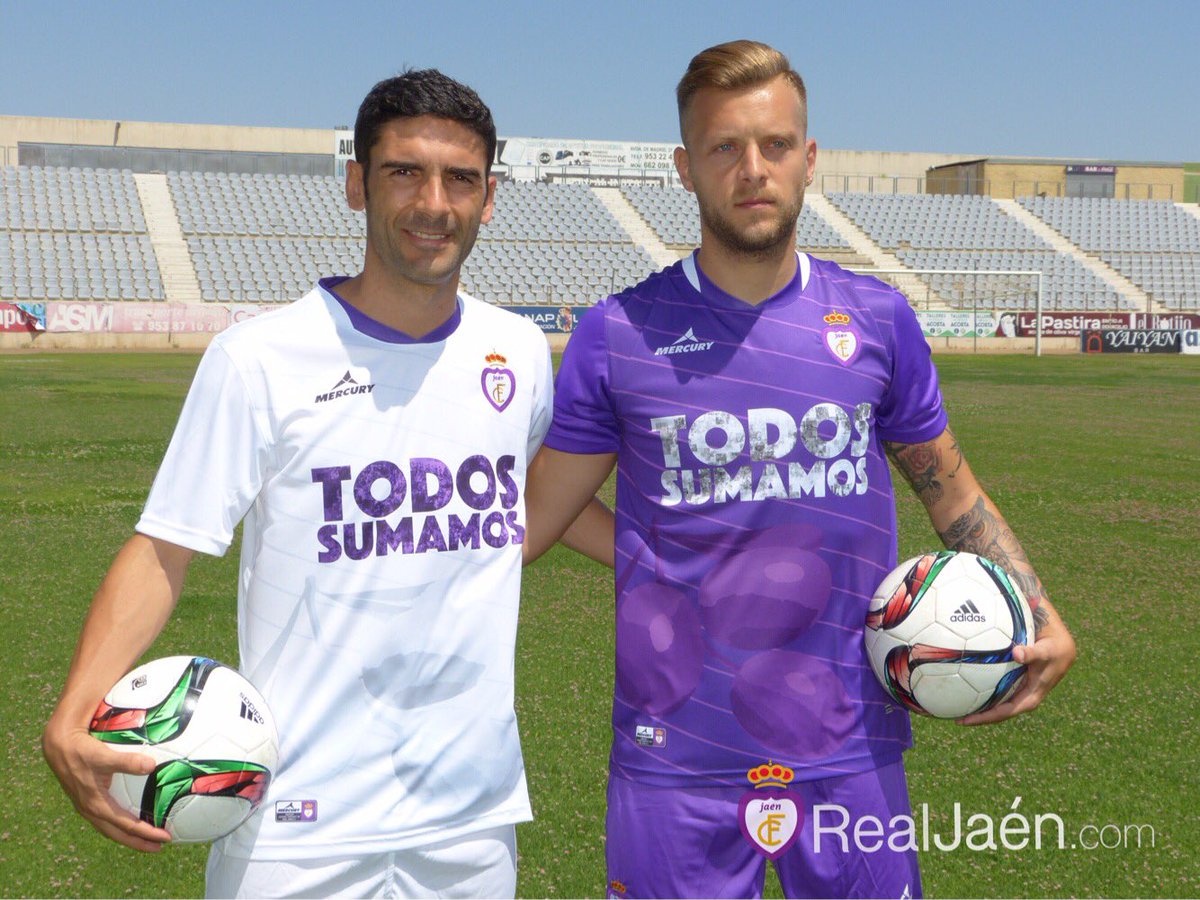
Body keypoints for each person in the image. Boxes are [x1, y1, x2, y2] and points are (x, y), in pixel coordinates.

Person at [523, 40, 1076, 899]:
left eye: (775, 145)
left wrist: (1035, 609)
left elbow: (952, 493)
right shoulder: (619, 333)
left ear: (808, 159)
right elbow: (535, 523)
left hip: (849, 742)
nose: (753, 169)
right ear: (685, 167)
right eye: (724, 148)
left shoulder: (879, 322)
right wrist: (654, 548)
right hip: (676, 753)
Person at [43, 69, 555, 899]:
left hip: (471, 821)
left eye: (460, 178)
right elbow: (167, 545)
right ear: (356, 184)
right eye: (403, 173)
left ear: (490, 197)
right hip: (296, 827)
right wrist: (74, 707)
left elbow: (542, 504)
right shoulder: (259, 358)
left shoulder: (519, 354)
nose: (434, 202)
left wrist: (699, 553)